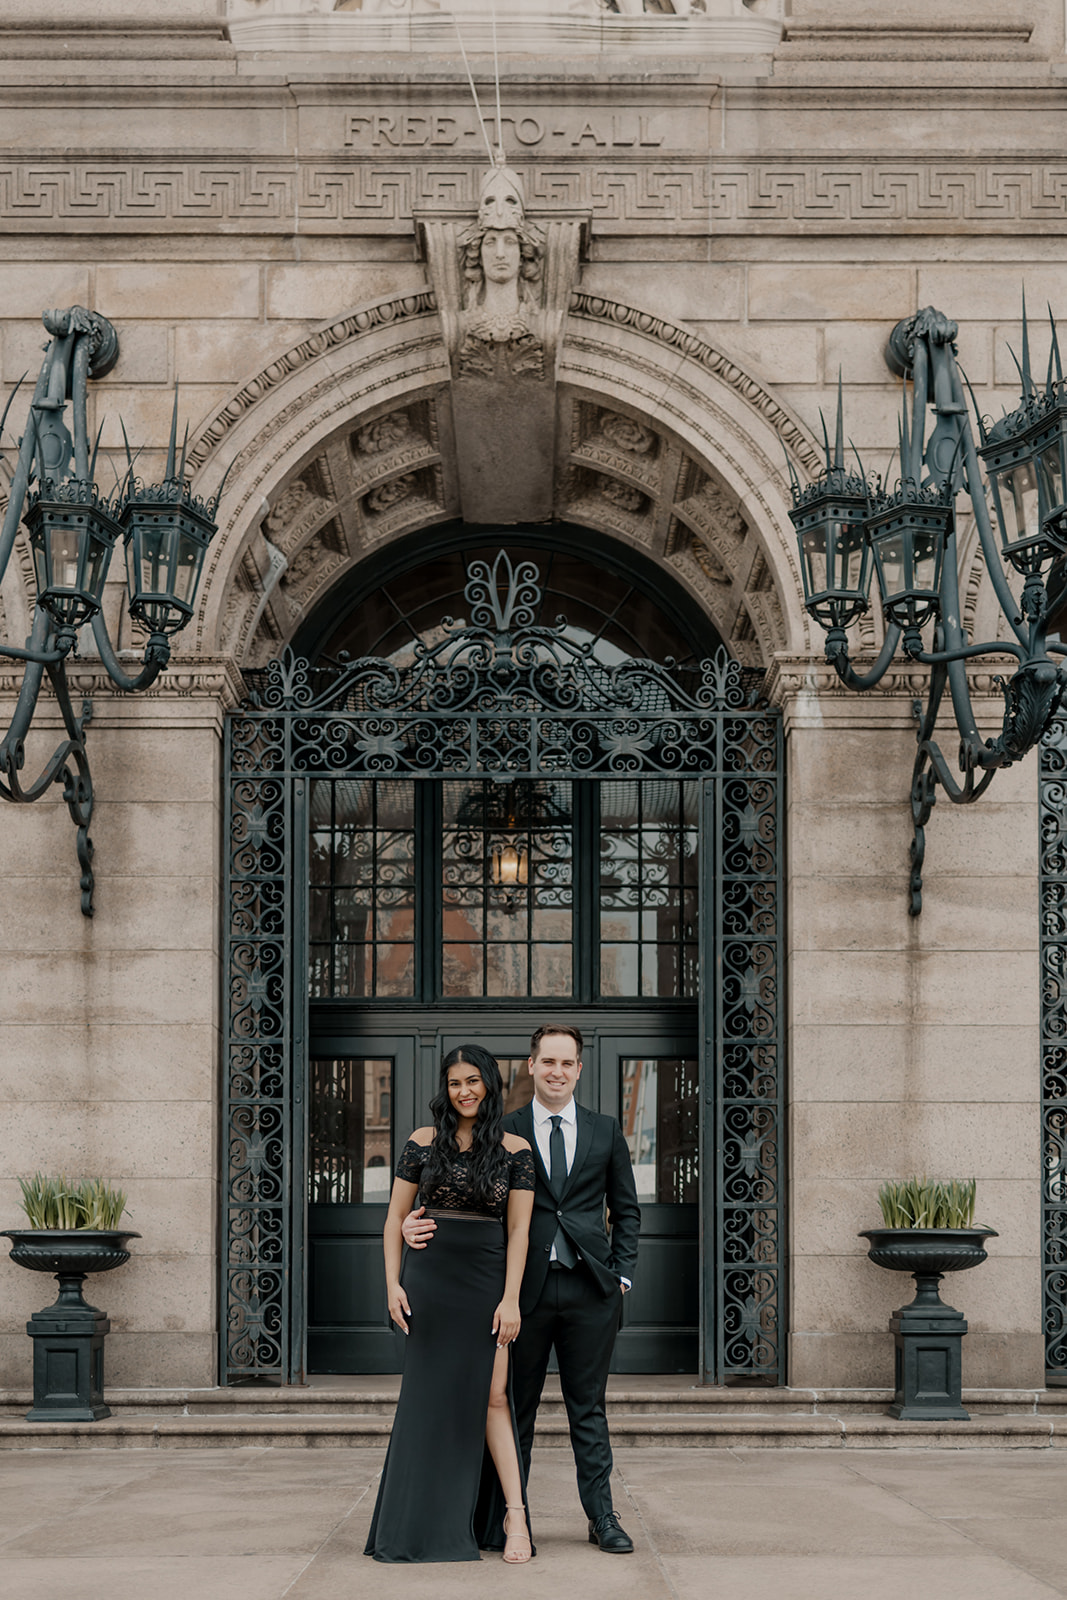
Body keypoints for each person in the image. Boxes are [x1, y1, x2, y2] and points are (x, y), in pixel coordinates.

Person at [403, 1024, 641, 1554]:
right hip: (516, 1294)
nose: (557, 1071)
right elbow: (455, 1191)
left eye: (567, 1063)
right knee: (513, 1408)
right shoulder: (501, 1130)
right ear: (530, 1066)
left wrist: (620, 1277)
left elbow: (627, 1210)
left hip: (590, 1291)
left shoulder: (605, 1131)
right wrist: (407, 1225)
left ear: (580, 1069)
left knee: (589, 1409)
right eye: (547, 1061)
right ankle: (511, 1520)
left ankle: (602, 1517)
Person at [365, 1044, 536, 1564]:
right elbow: (395, 1218)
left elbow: (520, 1229)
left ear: (490, 1083)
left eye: (473, 1081)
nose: (464, 1091)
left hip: (486, 1284)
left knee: (495, 1396)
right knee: (424, 1400)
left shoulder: (516, 1149)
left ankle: (516, 1516)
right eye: (455, 1082)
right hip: (429, 1284)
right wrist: (392, 1284)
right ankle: (417, 1522)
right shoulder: (421, 1142)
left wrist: (511, 1299)